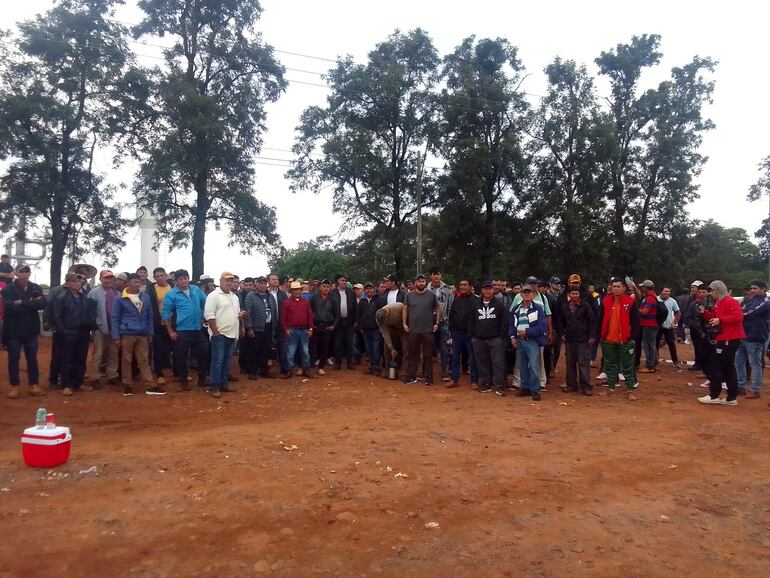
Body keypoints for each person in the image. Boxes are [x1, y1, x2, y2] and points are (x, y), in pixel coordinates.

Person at [112, 273, 165, 397]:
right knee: (127, 360)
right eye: (135, 282)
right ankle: (127, 385)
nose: (137, 284)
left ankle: (150, 385)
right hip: (127, 333)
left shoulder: (145, 297)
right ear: (128, 283)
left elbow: (149, 315)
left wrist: (150, 331)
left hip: (142, 333)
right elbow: (115, 318)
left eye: (139, 282)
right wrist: (116, 336)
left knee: (144, 360)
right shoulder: (120, 298)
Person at [698, 280, 746, 405]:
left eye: (711, 290)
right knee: (728, 367)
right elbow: (715, 318)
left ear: (717, 290)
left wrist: (720, 319)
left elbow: (738, 317)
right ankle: (731, 397)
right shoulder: (720, 302)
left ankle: (714, 395)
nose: (710, 293)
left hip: (728, 339)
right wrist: (705, 314)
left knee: (716, 365)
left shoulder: (730, 301)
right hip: (726, 338)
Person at [162, 269, 208, 391]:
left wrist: (204, 316)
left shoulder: (196, 290)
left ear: (188, 278)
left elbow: (206, 302)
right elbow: (166, 313)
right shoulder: (172, 294)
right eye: (181, 279)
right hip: (182, 330)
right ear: (176, 281)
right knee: (181, 357)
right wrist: (170, 331)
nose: (184, 281)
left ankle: (202, 379)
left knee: (203, 354)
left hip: (197, 328)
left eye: (185, 278)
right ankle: (183, 381)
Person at [51, 272, 97, 396]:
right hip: (68, 332)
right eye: (74, 281)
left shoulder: (84, 297)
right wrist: (63, 331)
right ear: (68, 283)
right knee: (67, 359)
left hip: (83, 332)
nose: (77, 283)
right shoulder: (61, 297)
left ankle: (78, 383)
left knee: (81, 359)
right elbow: (56, 316)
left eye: (78, 281)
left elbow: (88, 313)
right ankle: (65, 385)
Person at [4, 264, 46, 399]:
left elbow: (41, 305)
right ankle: (14, 386)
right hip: (13, 330)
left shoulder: (35, 287)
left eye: (26, 271)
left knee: (32, 359)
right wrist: (30, 304)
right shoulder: (8, 288)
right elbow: (9, 307)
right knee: (13, 359)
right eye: (21, 271)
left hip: (31, 330)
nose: (24, 274)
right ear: (16, 273)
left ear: (30, 273)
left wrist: (21, 302)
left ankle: (33, 385)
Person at [597, 278, 640, 401]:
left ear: (624, 288)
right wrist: (600, 335)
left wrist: (633, 338)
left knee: (628, 366)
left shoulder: (630, 302)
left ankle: (630, 390)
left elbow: (636, 322)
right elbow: (600, 319)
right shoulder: (605, 301)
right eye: (614, 286)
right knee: (609, 365)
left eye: (618, 286)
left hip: (625, 340)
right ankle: (611, 389)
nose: (615, 288)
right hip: (608, 339)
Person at [204, 272, 242, 398]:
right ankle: (215, 386)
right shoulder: (213, 295)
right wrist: (215, 332)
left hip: (232, 334)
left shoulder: (234, 297)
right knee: (218, 361)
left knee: (227, 361)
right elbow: (209, 315)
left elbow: (235, 314)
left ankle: (223, 384)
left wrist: (240, 320)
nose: (229, 282)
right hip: (219, 334)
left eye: (231, 280)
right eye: (226, 280)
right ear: (220, 281)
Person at [469, 281, 509, 395]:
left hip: (495, 339)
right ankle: (485, 384)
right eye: (485, 288)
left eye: (489, 288)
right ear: (482, 290)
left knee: (498, 363)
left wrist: (501, 337)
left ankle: (500, 385)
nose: (487, 291)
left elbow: (504, 322)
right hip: (479, 339)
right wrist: (474, 336)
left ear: (493, 290)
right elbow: (471, 322)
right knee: (482, 363)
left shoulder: (499, 305)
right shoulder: (475, 305)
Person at [509, 283, 548, 401]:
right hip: (519, 341)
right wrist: (512, 337)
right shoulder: (516, 309)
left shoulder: (538, 309)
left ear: (533, 294)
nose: (526, 294)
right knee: (522, 366)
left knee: (534, 366)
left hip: (532, 341)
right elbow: (511, 325)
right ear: (521, 294)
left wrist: (527, 332)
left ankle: (535, 390)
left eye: (529, 292)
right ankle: (525, 387)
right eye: (524, 292)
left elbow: (542, 327)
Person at [402, 274, 440, 385]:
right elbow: (405, 309)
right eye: (419, 281)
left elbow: (437, 308)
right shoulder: (409, 295)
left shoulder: (431, 295)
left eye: (423, 281)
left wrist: (437, 323)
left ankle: (429, 378)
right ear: (415, 283)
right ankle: (411, 376)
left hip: (428, 330)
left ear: (425, 282)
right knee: (413, 353)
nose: (421, 283)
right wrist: (404, 323)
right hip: (413, 330)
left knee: (428, 355)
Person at [735, 280, 770, 399]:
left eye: (755, 288)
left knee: (754, 363)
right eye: (751, 288)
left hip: (755, 336)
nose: (752, 290)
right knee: (739, 362)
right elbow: (742, 310)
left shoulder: (765, 302)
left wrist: (740, 314)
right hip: (744, 334)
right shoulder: (751, 300)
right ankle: (741, 386)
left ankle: (755, 389)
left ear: (763, 289)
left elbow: (748, 312)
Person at [561, 286, 596, 396]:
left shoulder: (585, 306)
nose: (574, 296)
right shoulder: (566, 306)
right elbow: (562, 321)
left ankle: (586, 386)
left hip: (583, 339)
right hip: (570, 339)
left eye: (576, 293)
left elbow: (592, 321)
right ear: (569, 295)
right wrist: (563, 333)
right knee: (570, 363)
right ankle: (571, 385)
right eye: (572, 293)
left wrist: (591, 336)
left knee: (583, 363)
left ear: (579, 294)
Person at [87, 269, 120, 389]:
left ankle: (112, 375)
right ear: (101, 279)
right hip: (99, 328)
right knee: (98, 354)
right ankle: (95, 377)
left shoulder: (116, 293)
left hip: (114, 328)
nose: (108, 280)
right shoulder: (93, 293)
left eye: (110, 278)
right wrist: (94, 327)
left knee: (113, 353)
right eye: (105, 278)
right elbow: (90, 312)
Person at [447, 278, 478, 388]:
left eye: (465, 285)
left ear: (470, 286)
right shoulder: (457, 299)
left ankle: (474, 381)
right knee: (455, 357)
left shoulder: (476, 300)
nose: (463, 287)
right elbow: (451, 315)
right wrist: (451, 329)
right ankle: (454, 380)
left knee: (473, 358)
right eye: (461, 285)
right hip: (457, 334)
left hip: (470, 334)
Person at [279, 281, 314, 379]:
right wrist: (286, 330)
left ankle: (306, 369)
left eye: (298, 290)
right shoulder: (286, 303)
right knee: (290, 352)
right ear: (291, 292)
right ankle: (289, 370)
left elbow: (310, 316)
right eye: (294, 290)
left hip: (304, 330)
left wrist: (310, 329)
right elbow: (283, 318)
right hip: (292, 330)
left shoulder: (305, 302)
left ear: (301, 291)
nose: (297, 292)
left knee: (305, 352)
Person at [145, 267, 174, 385]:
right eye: (157, 276)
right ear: (154, 278)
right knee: (158, 349)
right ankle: (159, 373)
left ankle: (178, 371)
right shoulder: (151, 289)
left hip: (174, 322)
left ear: (166, 275)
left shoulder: (173, 287)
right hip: (158, 323)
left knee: (175, 348)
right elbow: (149, 307)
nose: (160, 278)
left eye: (161, 275)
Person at [428, 268, 454, 382]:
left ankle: (444, 372)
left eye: (438, 274)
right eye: (434, 274)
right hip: (428, 321)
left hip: (444, 322)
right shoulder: (426, 289)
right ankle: (427, 372)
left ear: (441, 275)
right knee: (427, 347)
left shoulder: (448, 289)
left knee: (444, 348)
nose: (436, 276)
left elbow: (451, 306)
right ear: (430, 276)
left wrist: (448, 320)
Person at [309, 279, 337, 376]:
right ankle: (310, 365)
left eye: (328, 287)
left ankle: (321, 367)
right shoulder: (313, 298)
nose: (326, 288)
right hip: (316, 325)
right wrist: (310, 326)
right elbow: (309, 312)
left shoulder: (333, 299)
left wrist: (334, 325)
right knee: (313, 347)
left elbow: (337, 314)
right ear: (320, 287)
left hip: (327, 326)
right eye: (324, 286)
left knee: (325, 347)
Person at [330, 274, 356, 370]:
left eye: (345, 281)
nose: (344, 282)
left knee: (349, 343)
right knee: (338, 344)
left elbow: (355, 307)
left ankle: (350, 363)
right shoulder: (332, 293)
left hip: (349, 321)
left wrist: (356, 321)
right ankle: (338, 363)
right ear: (338, 281)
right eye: (342, 280)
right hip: (338, 322)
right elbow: (330, 308)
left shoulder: (351, 292)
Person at [356, 283, 382, 375]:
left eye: (370, 288)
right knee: (368, 349)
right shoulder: (362, 301)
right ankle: (370, 366)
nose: (369, 290)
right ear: (364, 290)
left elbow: (382, 314)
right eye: (367, 289)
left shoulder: (378, 300)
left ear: (373, 289)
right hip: (365, 330)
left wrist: (381, 327)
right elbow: (358, 316)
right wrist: (360, 327)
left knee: (376, 349)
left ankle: (376, 367)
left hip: (376, 329)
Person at [637, 280, 659, 373]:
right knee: (651, 344)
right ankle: (654, 363)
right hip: (651, 324)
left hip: (649, 324)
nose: (642, 288)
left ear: (646, 287)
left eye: (643, 287)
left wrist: (637, 309)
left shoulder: (649, 298)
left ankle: (650, 366)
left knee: (648, 345)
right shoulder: (652, 297)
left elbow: (645, 312)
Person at [657, 286, 682, 368]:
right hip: (657, 326)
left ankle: (675, 361)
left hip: (668, 326)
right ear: (661, 292)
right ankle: (655, 360)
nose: (667, 293)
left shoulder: (672, 301)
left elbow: (678, 313)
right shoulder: (656, 299)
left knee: (671, 343)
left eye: (668, 291)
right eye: (665, 291)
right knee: (655, 343)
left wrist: (674, 322)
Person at [377, 302, 406, 370]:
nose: (383, 322)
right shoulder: (378, 318)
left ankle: (405, 371)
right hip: (390, 328)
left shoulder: (398, 307)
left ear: (387, 313)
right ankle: (388, 370)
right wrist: (391, 348)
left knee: (406, 349)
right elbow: (385, 333)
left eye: (384, 320)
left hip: (403, 328)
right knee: (386, 348)